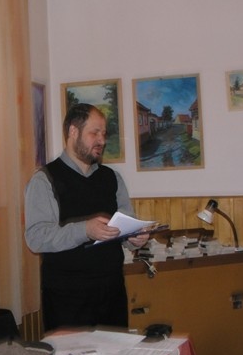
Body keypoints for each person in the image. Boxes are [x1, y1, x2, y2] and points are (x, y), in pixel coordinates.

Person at [24, 103, 149, 332]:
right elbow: (36, 238)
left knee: (116, 354)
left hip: (112, 293)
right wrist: (85, 230)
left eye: (104, 134)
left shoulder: (112, 178)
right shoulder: (44, 180)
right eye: (95, 133)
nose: (102, 140)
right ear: (73, 131)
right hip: (67, 298)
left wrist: (135, 238)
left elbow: (125, 225)